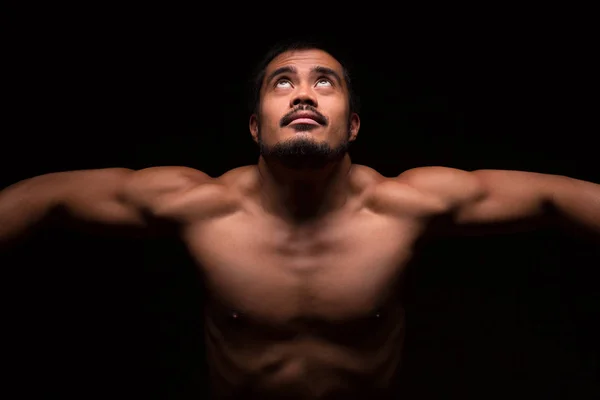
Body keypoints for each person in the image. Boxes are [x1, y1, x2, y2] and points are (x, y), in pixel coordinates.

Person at [1, 39, 599, 399]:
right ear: (257, 126)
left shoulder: (404, 205)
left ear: (354, 125)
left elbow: (555, 197)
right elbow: (40, 197)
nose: (303, 94)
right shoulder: (200, 205)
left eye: (325, 82)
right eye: (282, 82)